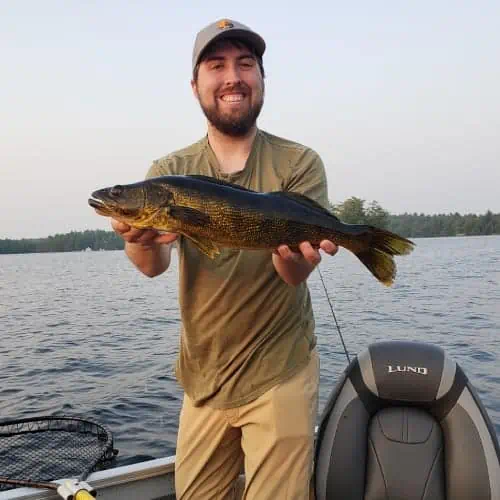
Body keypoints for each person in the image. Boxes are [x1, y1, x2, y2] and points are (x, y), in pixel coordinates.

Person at [110, 18, 338, 500]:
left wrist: (297, 255)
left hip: (281, 369)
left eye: (245, 64)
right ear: (196, 85)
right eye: (217, 65)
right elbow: (152, 266)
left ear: (260, 79)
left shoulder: (298, 162)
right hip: (203, 376)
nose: (233, 76)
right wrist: (138, 237)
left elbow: (293, 274)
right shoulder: (169, 173)